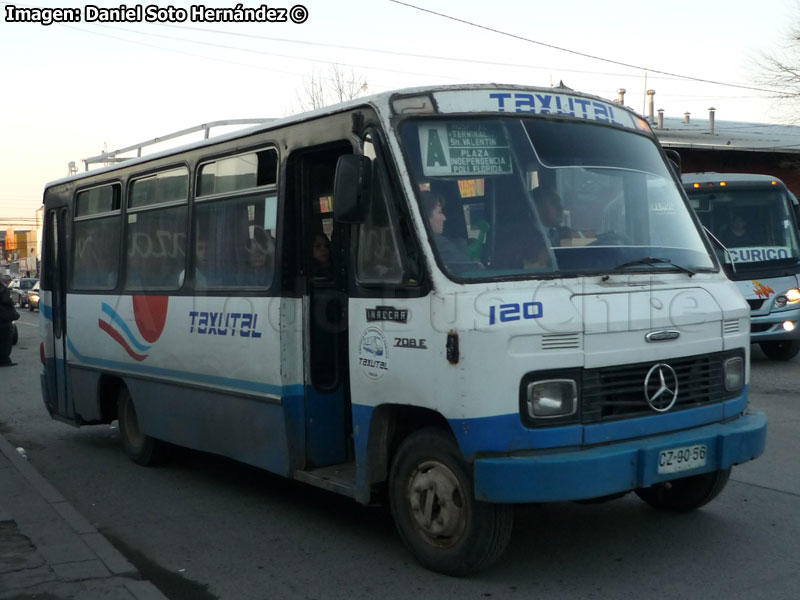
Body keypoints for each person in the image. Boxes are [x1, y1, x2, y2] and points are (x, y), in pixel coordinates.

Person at [421, 192, 479, 270]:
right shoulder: (437, 242)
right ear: (425, 216)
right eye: (439, 212)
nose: (444, 218)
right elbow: (470, 269)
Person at [0, 280, 19, 367]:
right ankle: (4, 360)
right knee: (5, 340)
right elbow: (6, 300)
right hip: (3, 318)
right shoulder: (2, 288)